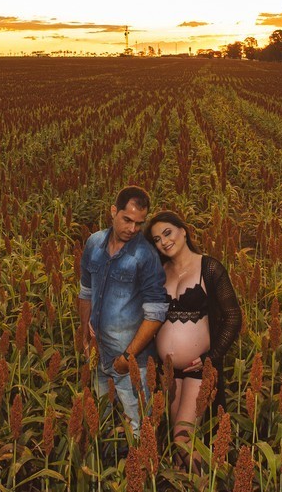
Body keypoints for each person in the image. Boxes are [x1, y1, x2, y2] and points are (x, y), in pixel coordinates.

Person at [144, 210, 242, 460]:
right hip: (168, 373)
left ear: (183, 231)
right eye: (157, 239)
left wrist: (213, 355)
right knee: (177, 446)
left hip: (199, 370)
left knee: (183, 439)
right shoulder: (158, 273)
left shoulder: (209, 267)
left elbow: (233, 317)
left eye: (168, 233)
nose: (164, 241)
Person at [77, 186, 168, 449]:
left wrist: (127, 358)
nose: (132, 229)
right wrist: (85, 333)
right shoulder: (94, 244)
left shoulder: (146, 256)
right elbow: (86, 292)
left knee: (137, 434)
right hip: (100, 356)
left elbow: (156, 313)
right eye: (127, 220)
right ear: (113, 212)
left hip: (132, 364)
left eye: (139, 223)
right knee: (100, 429)